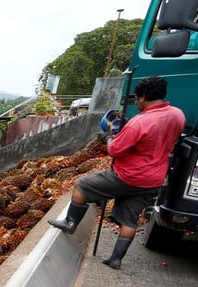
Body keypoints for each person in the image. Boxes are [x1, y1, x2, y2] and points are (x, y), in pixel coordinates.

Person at [48, 76, 186, 269]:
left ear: (143, 96)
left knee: (81, 186)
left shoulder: (140, 122)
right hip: (153, 180)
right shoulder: (177, 115)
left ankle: (70, 223)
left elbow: (115, 150)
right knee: (129, 219)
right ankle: (116, 259)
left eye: (137, 99)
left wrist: (111, 138)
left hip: (128, 176)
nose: (137, 103)